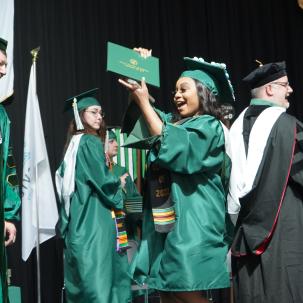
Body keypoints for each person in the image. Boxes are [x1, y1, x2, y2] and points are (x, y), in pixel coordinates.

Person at [119, 50, 235, 303]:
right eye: (175, 91)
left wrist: (145, 102)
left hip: (194, 220)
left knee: (181, 287)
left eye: (184, 89)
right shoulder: (174, 123)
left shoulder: (209, 126)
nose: (177, 95)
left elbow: (174, 144)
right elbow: (143, 127)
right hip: (167, 220)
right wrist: (139, 78)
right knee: (166, 289)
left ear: (204, 92)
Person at [228, 61, 303, 302]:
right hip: (283, 239)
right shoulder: (288, 127)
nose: (290, 90)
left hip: (244, 242)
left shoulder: (232, 132)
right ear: (270, 90)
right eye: (285, 85)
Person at [55, 89, 131, 303]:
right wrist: (118, 183)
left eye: (101, 113)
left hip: (79, 220)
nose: (99, 117)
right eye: (93, 112)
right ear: (80, 114)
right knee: (102, 284)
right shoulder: (89, 142)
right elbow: (104, 182)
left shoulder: (73, 144)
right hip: (94, 221)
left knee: (85, 285)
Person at [0, 37, 21, 303]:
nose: (4, 70)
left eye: (5, 64)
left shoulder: (2, 117)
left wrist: (8, 215)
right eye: (0, 63)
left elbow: (7, 167)